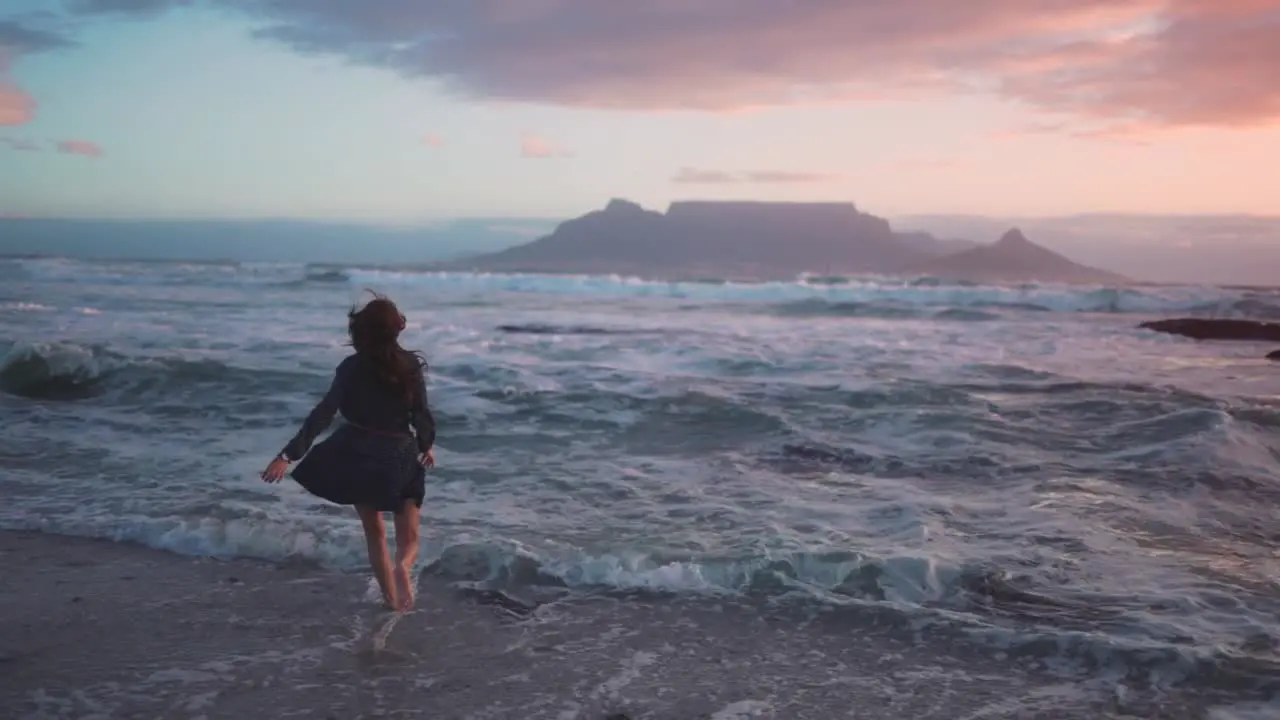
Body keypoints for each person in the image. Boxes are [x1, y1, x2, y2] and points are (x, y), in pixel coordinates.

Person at [261, 294, 436, 611]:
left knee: (375, 532)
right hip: (400, 453)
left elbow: (323, 414)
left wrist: (287, 456)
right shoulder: (409, 365)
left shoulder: (350, 368)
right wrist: (426, 445)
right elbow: (420, 413)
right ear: (396, 329)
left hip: (358, 453)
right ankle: (403, 569)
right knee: (409, 533)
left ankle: (390, 601)